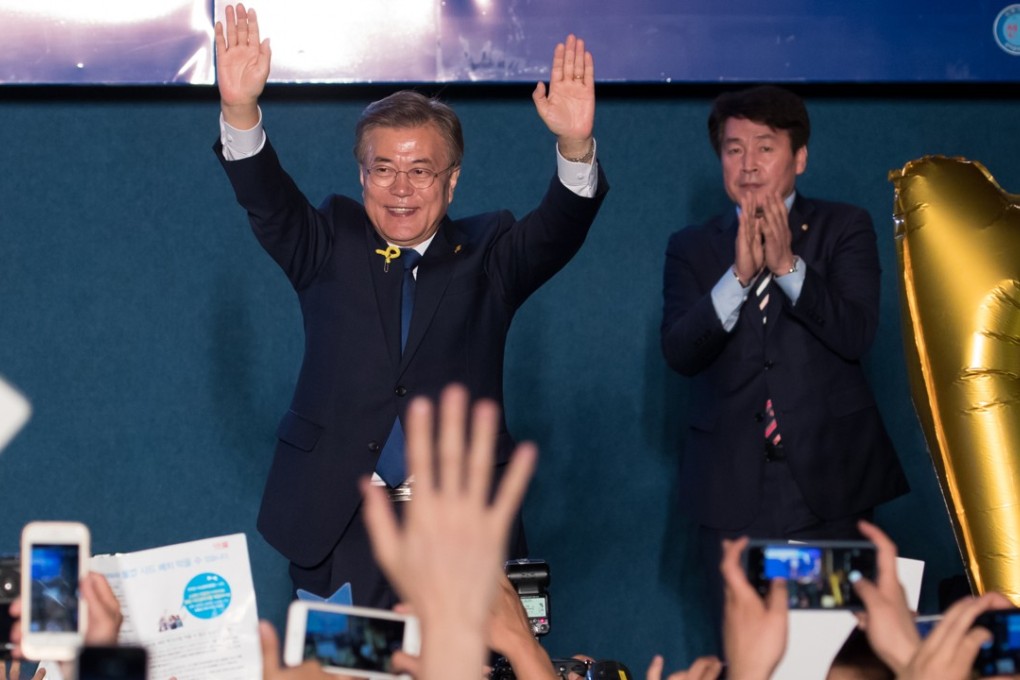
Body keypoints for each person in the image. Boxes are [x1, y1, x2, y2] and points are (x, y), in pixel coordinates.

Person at [213, 3, 607, 607]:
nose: (401, 188)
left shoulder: (490, 252)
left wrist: (576, 144)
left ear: (452, 182)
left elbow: (559, 227)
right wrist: (240, 111)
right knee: (344, 674)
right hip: (341, 524)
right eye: (384, 169)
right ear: (362, 175)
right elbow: (267, 200)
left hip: (460, 528)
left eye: (421, 171)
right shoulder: (327, 242)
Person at [660, 85, 908, 545]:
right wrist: (738, 276)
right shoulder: (691, 246)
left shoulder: (845, 226)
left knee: (835, 620)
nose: (748, 163)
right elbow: (679, 352)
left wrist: (788, 268)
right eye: (734, 150)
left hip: (830, 482)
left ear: (800, 158)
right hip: (730, 487)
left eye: (765, 147)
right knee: (740, 620)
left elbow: (855, 334)